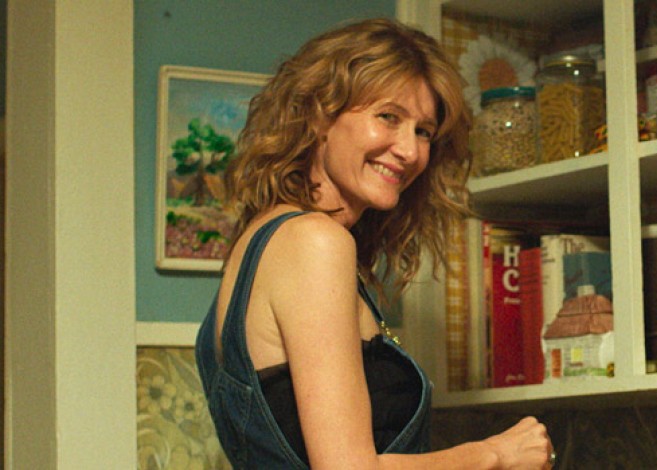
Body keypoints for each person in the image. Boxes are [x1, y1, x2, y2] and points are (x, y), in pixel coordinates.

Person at [195, 17, 555, 469]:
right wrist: (495, 454)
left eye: (423, 131)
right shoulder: (315, 242)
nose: (410, 150)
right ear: (319, 116)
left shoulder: (267, 236)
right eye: (388, 117)